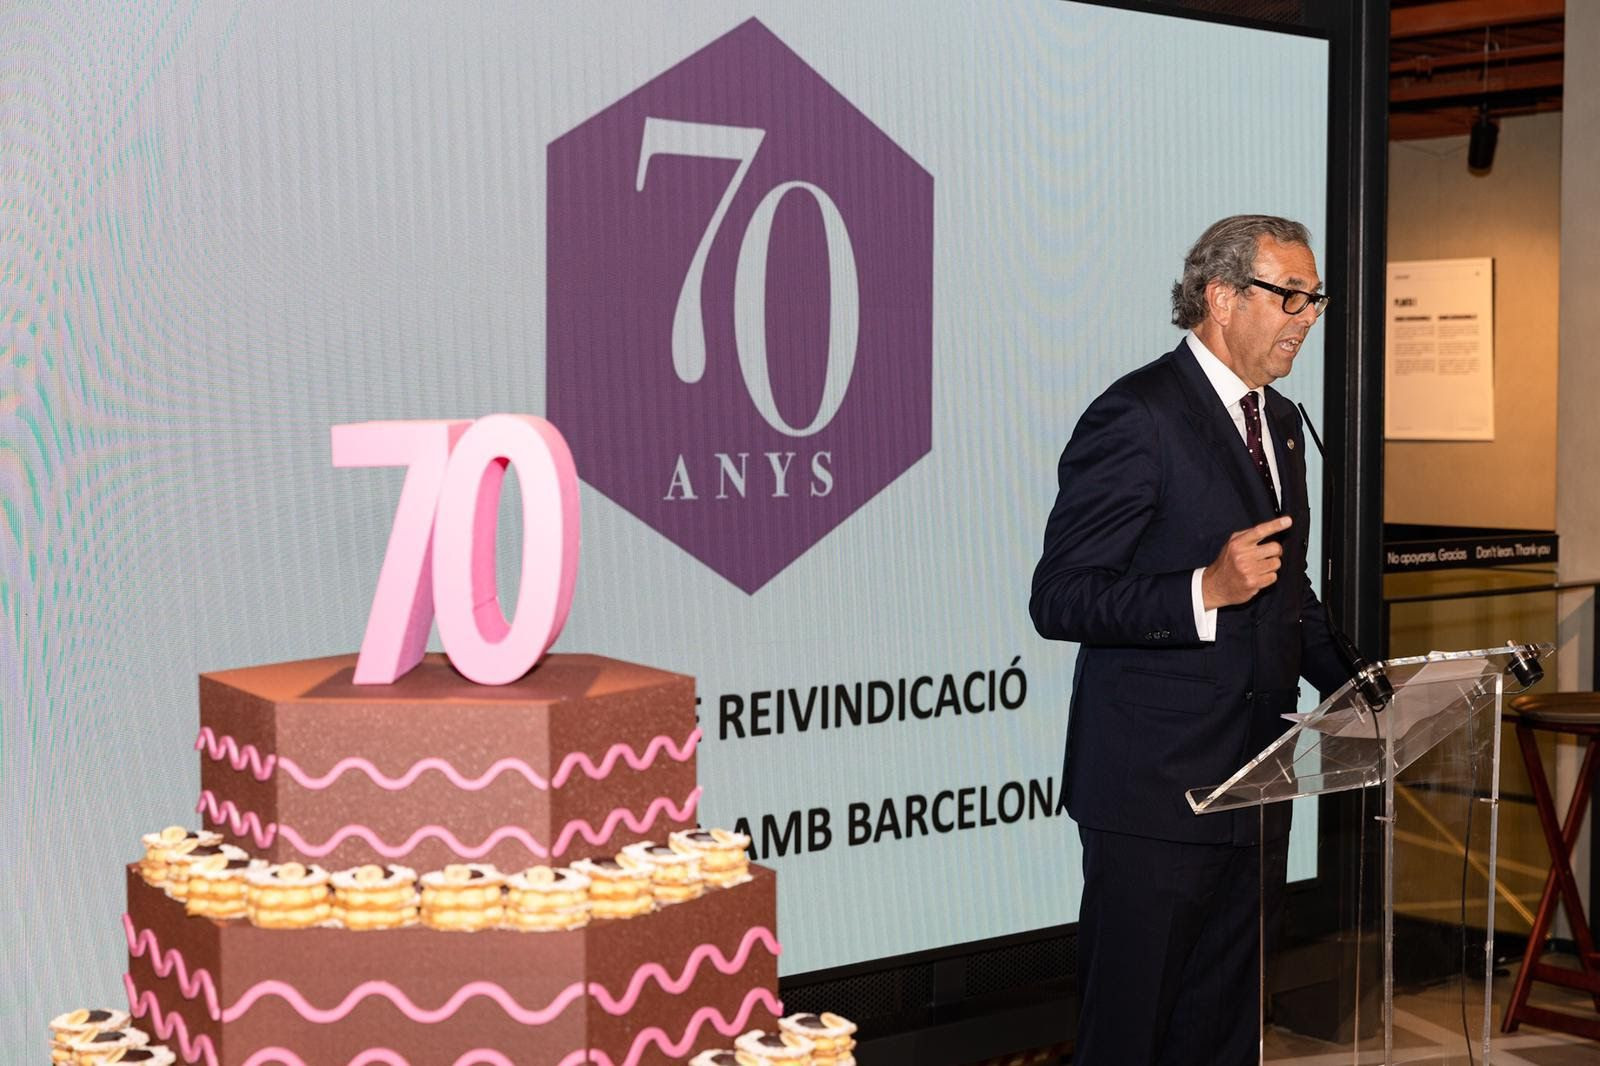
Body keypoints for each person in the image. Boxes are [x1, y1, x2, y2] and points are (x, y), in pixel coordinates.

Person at [1029, 215, 1356, 1066]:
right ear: (1219, 296)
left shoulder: (1281, 422)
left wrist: (1364, 689)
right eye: (1289, 295)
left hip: (1256, 783)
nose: (1307, 316)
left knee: (1223, 1033)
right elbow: (1060, 597)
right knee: (1131, 1035)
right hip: (1154, 795)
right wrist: (1202, 590)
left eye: (1313, 297)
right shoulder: (1137, 414)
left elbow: (1288, 592)